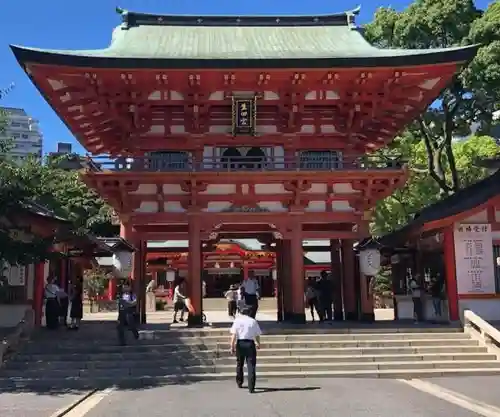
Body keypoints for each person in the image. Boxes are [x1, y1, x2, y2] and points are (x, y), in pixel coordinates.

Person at [230, 305, 262, 393]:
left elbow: (233, 335)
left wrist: (232, 346)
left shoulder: (237, 321)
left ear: (241, 312)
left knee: (239, 363)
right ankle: (251, 387)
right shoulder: (253, 321)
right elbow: (257, 334)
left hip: (240, 343)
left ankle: (239, 381)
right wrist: (258, 343)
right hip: (250, 343)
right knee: (251, 365)